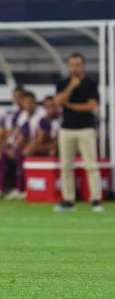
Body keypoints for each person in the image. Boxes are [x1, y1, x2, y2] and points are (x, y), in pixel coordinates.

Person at [54, 53, 102, 212]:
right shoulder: (63, 83)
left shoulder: (90, 83)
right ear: (68, 66)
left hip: (86, 129)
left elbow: (92, 106)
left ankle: (96, 199)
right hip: (66, 129)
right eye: (72, 65)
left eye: (78, 64)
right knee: (66, 166)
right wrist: (71, 87)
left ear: (83, 66)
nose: (75, 68)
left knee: (91, 165)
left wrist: (71, 106)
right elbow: (58, 102)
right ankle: (68, 200)